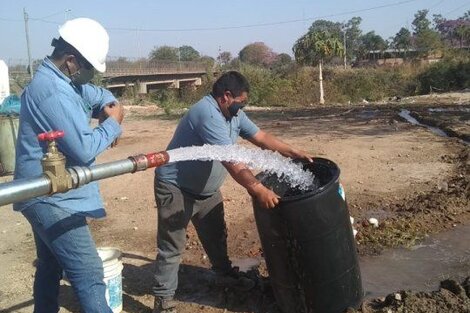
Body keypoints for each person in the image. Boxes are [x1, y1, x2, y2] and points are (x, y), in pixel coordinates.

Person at [153, 71, 312, 313]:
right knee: (172, 246)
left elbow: (261, 137)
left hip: (207, 191)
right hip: (177, 188)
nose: (243, 106)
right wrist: (258, 188)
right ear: (226, 96)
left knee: (217, 236)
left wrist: (293, 152)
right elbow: (232, 161)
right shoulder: (207, 114)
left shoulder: (233, 114)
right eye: (241, 101)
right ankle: (163, 300)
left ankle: (224, 275)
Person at [14, 18, 124, 313]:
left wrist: (107, 109)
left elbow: (102, 96)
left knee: (50, 265)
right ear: (72, 61)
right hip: (50, 196)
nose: (91, 75)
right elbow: (84, 148)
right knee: (89, 274)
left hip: (49, 192)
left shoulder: (67, 83)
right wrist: (113, 125)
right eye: (90, 68)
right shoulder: (51, 91)